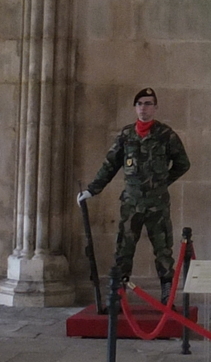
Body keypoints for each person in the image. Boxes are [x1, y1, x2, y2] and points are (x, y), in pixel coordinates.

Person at [79, 88, 189, 300]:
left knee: (163, 251)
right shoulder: (126, 135)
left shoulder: (166, 135)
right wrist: (92, 189)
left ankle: (167, 295)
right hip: (131, 203)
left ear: (155, 107)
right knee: (124, 250)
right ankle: (118, 294)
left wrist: (162, 182)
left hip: (157, 204)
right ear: (135, 108)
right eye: (139, 104)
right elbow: (110, 165)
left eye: (148, 103)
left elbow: (183, 163)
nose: (143, 108)